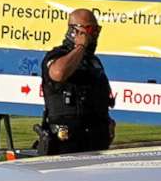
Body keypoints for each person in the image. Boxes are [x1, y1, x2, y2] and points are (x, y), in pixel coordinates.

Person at [37, 9, 117, 156]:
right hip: (65, 143)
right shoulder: (57, 56)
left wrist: (108, 122)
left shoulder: (94, 62)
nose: (95, 34)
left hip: (95, 142)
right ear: (74, 31)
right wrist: (80, 47)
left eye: (97, 29)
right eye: (91, 29)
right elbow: (58, 73)